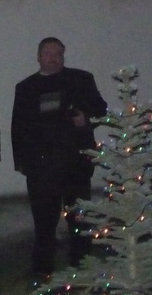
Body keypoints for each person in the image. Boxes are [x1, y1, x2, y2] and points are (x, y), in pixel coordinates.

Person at [11, 37, 108, 277]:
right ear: (38, 57)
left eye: (57, 54)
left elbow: (100, 109)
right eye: (48, 53)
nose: (53, 58)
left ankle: (81, 266)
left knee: (79, 218)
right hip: (41, 166)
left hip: (75, 162)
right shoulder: (26, 88)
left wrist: (86, 119)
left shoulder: (81, 79)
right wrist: (23, 163)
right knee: (44, 221)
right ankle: (43, 269)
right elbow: (18, 128)